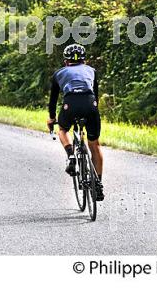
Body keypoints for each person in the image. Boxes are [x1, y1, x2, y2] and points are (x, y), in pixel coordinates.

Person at [47, 43, 104, 201]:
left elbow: (52, 102)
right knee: (95, 144)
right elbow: (95, 95)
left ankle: (71, 155)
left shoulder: (59, 73)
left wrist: (52, 118)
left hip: (70, 104)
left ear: (66, 61)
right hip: (90, 103)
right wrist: (92, 111)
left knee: (63, 130)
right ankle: (98, 185)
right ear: (84, 61)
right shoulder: (92, 71)